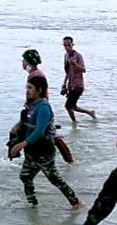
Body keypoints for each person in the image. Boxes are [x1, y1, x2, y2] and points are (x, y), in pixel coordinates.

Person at [9, 76, 83, 209]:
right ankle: (32, 204)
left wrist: (22, 144)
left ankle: (76, 203)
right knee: (25, 176)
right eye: (27, 87)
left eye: (30, 88)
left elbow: (39, 131)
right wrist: (18, 125)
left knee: (54, 179)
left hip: (44, 151)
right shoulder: (31, 104)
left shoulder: (44, 107)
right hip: (31, 150)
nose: (27, 91)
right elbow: (28, 120)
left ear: (40, 90)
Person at [19, 49, 74, 163]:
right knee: (51, 135)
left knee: (52, 135)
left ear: (29, 62)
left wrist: (37, 110)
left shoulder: (35, 75)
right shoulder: (35, 74)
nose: (22, 63)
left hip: (40, 110)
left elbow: (41, 95)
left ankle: (69, 160)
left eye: (23, 60)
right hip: (39, 109)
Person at [61, 36, 96, 122]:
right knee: (73, 106)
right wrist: (64, 83)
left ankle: (74, 123)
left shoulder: (78, 56)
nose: (67, 47)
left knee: (68, 106)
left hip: (78, 85)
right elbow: (67, 72)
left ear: (73, 44)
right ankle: (90, 113)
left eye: (69, 45)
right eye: (65, 45)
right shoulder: (66, 56)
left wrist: (75, 64)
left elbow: (84, 70)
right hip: (70, 84)